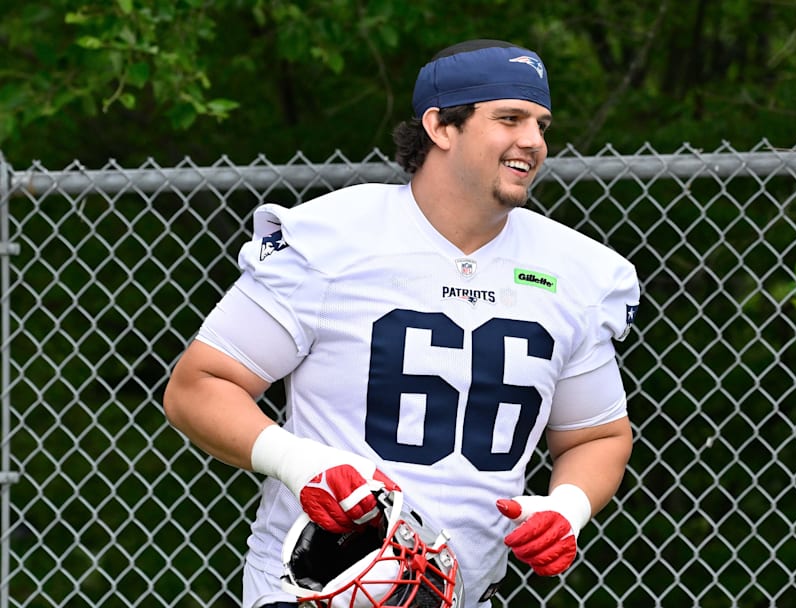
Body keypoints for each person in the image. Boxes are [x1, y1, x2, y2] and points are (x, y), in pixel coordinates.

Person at [162, 38, 641, 608]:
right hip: (313, 593)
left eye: (541, 123)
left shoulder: (578, 272)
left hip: (465, 594)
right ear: (441, 126)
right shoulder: (332, 239)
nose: (533, 142)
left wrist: (567, 507)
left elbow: (598, 435)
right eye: (509, 118)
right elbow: (198, 386)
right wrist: (301, 463)